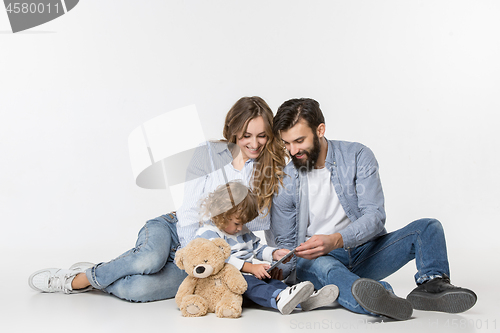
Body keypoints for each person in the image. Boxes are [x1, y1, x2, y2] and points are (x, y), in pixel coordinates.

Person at [28, 96, 287, 302]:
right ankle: (81, 278)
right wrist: (191, 253)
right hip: (179, 231)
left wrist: (274, 258)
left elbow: (259, 226)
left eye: (262, 135)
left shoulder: (271, 170)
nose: (254, 143)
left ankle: (109, 272)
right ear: (233, 132)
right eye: (246, 136)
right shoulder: (208, 153)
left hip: (215, 253)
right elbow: (189, 212)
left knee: (139, 289)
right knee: (148, 261)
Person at [269, 98, 477, 320]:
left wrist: (336, 239)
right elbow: (286, 245)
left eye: (299, 141)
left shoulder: (357, 156)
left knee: (427, 228)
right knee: (328, 268)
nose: (293, 150)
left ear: (320, 130)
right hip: (316, 259)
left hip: (363, 251)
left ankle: (431, 285)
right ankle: (380, 297)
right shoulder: (285, 180)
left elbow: (375, 216)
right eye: (286, 143)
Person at [195, 181, 339, 315]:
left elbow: (256, 247)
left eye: (243, 223)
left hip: (246, 276)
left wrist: (275, 253)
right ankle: (278, 298)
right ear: (221, 212)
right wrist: (251, 268)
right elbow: (220, 259)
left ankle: (301, 298)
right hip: (225, 281)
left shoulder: (241, 230)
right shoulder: (208, 232)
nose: (240, 228)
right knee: (251, 284)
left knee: (270, 281)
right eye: (237, 223)